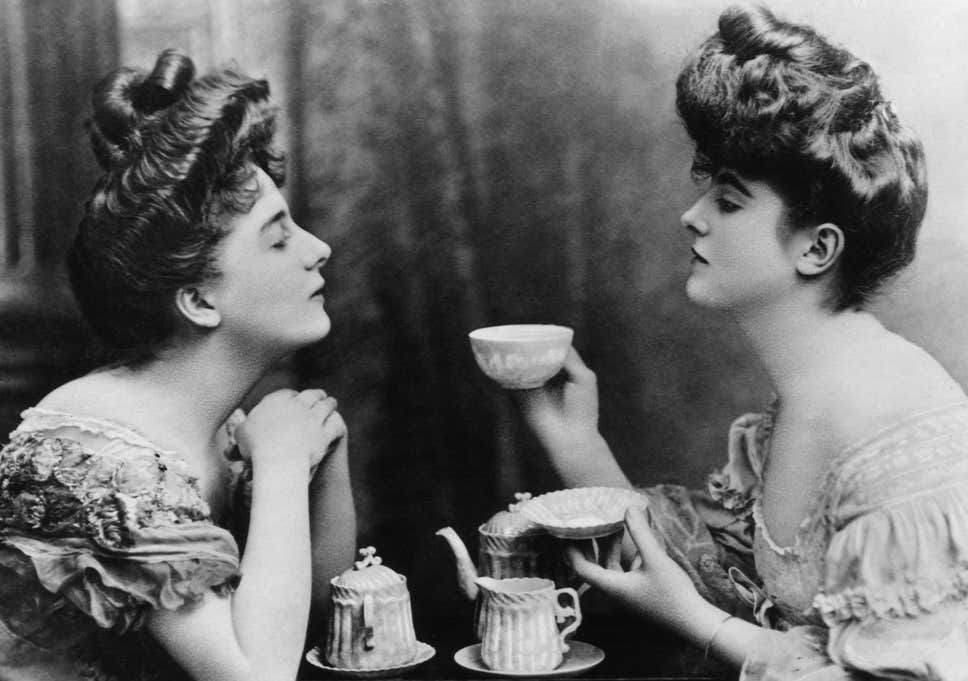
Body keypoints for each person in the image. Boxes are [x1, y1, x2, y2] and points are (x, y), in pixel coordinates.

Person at [516, 5, 968, 679]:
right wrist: (575, 441)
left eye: (728, 202)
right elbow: (701, 573)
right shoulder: (805, 396)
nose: (690, 216)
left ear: (817, 248)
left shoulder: (894, 429)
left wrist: (702, 624)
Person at [0, 49, 356, 681]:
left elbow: (317, 611)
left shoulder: (214, 427)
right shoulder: (99, 454)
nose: (318, 248)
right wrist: (280, 461)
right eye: (278, 237)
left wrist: (321, 454)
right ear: (198, 300)